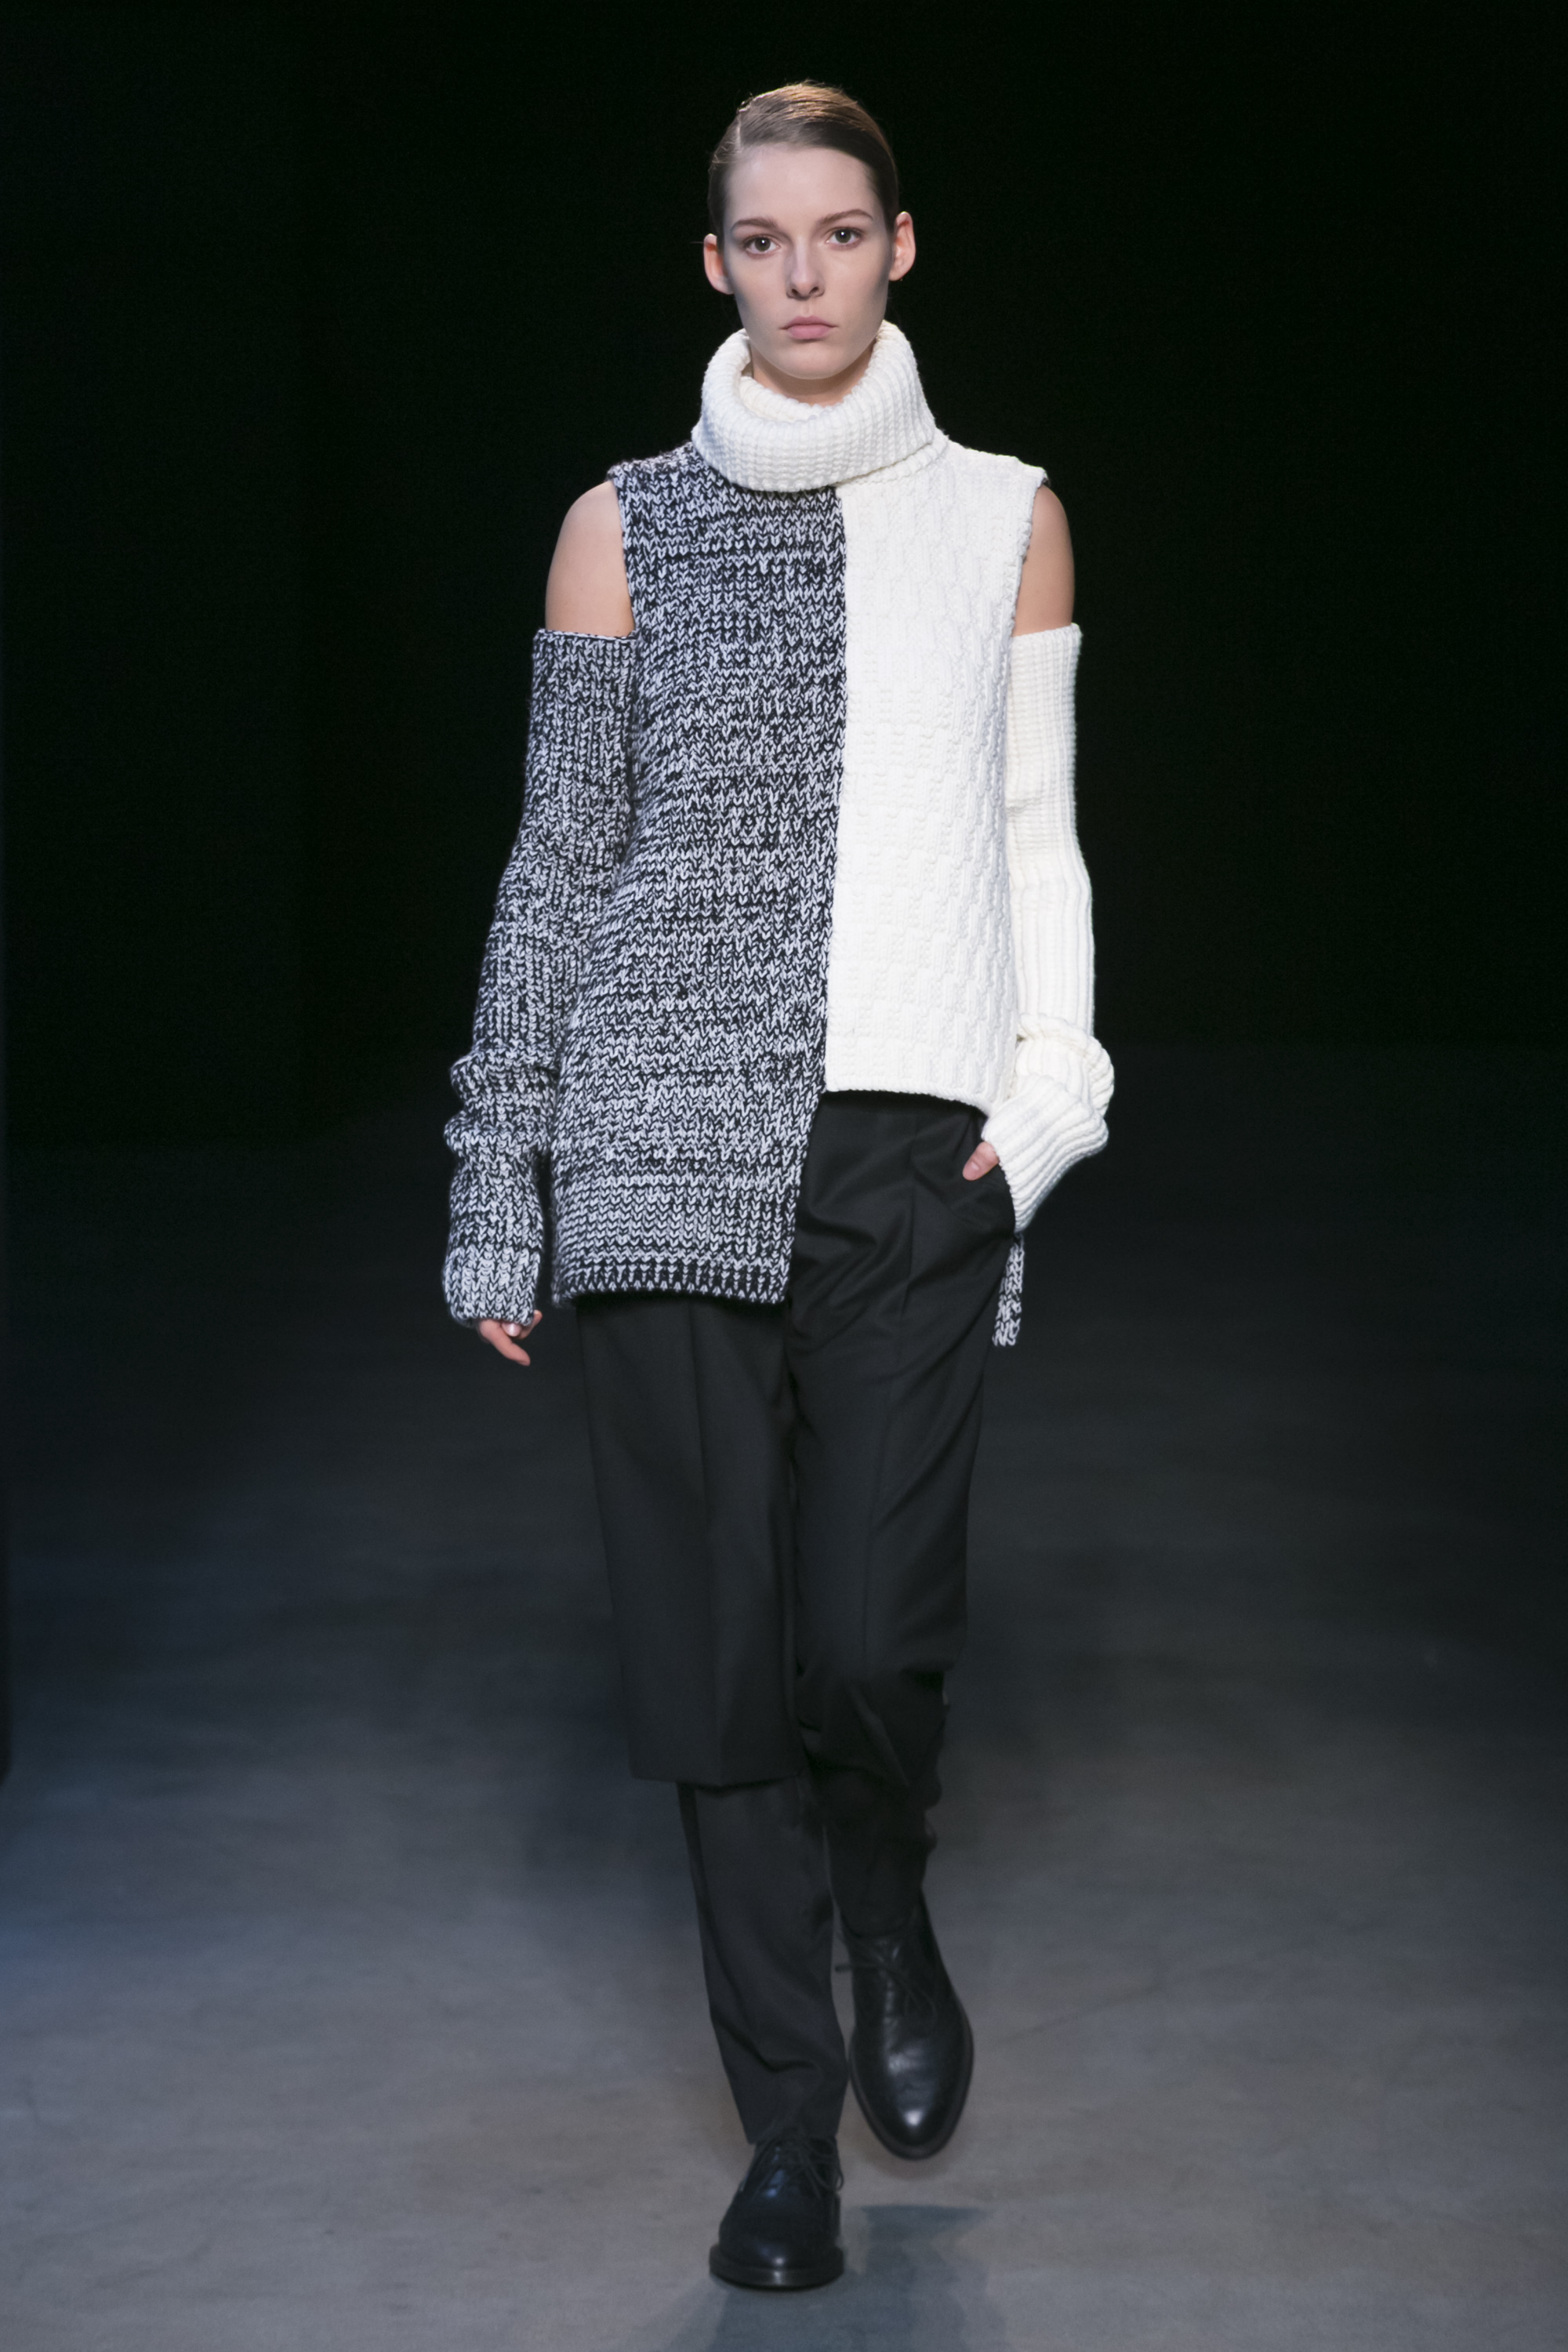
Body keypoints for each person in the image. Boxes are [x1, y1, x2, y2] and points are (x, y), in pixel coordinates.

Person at [443, 82, 1112, 2294]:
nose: (803, 271)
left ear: (900, 246)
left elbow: (1033, 838)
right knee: (716, 1663)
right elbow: (560, 866)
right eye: (763, 239)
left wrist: (1052, 1097)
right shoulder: (619, 527)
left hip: (916, 1146)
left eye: (840, 232)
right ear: (715, 264)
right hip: (661, 1140)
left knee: (867, 1640)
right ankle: (786, 2137)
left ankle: (885, 1894)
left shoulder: (1006, 516)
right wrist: (501, 1173)